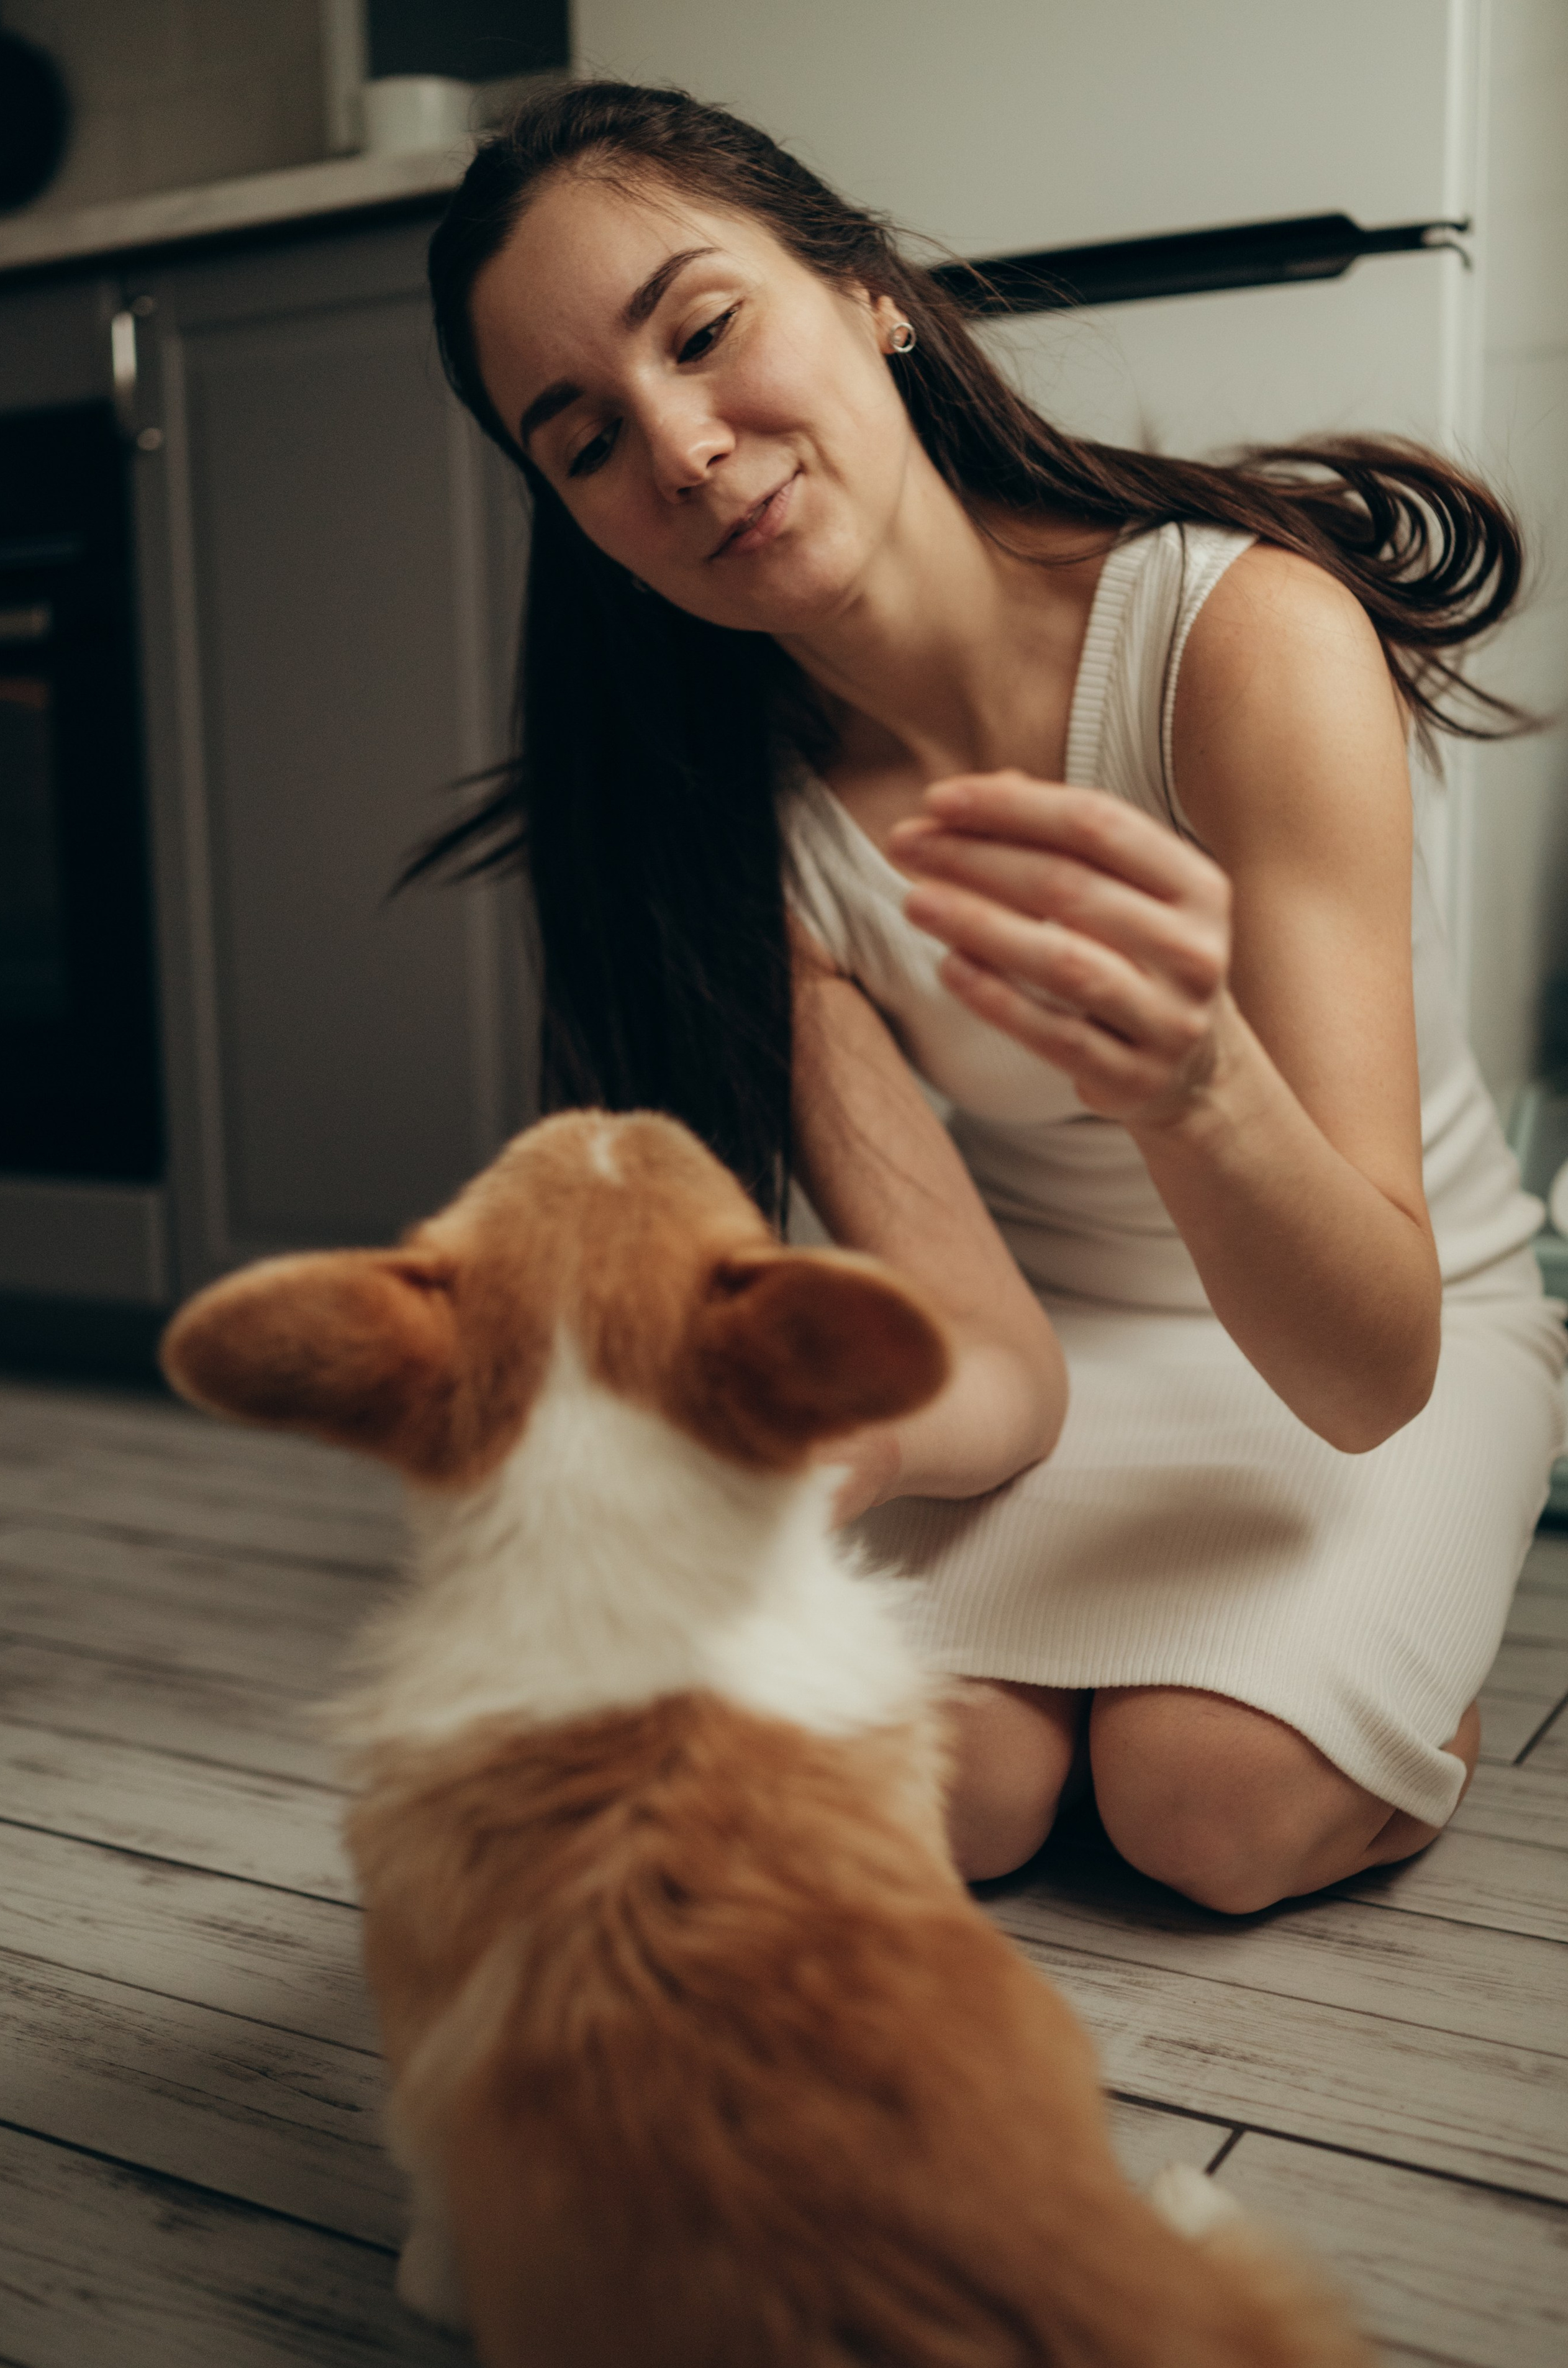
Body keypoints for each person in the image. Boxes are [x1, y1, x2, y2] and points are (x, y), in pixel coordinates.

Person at [417, 81, 1564, 1907]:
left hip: (1397, 1331)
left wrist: (1195, 1087)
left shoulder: (1239, 642)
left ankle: (1413, 1706)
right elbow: (997, 1357)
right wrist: (813, 1449)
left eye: (705, 333)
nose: (687, 450)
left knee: (1205, 1804)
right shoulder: (745, 838)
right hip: (1075, 1354)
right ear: (576, 519)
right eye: (590, 443)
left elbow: (1370, 1370)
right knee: (950, 1796)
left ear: (869, 290)